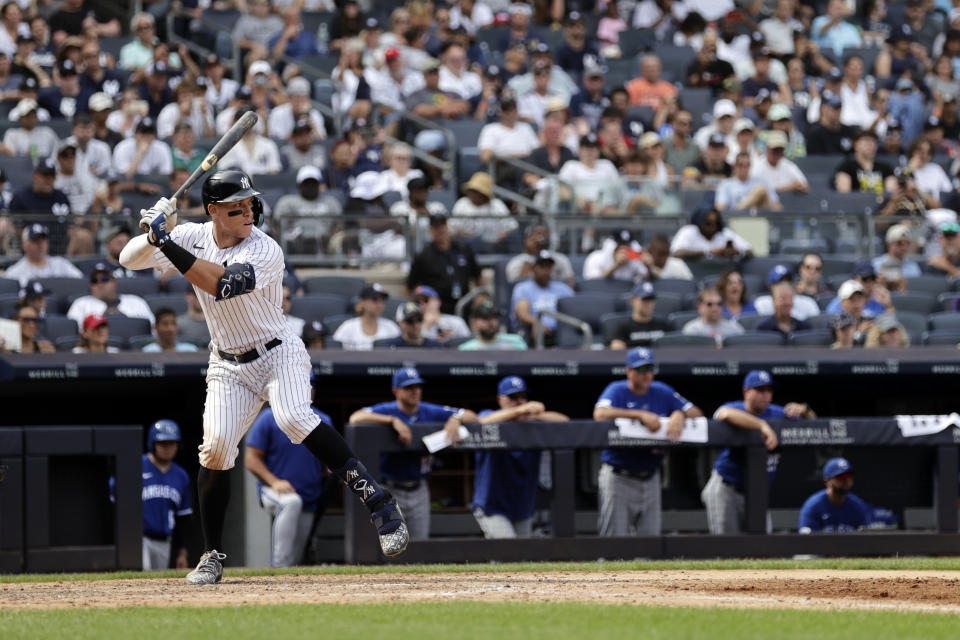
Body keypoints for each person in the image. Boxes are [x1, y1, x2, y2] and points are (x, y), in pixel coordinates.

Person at [119, 169, 410, 584]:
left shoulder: (265, 248)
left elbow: (221, 285)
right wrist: (152, 233)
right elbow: (126, 260)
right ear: (213, 211)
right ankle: (213, 555)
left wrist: (165, 239)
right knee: (216, 449)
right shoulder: (191, 237)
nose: (248, 212)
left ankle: (380, 503)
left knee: (293, 417)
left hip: (278, 353)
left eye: (251, 204)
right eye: (237, 207)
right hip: (226, 364)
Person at [348, 368, 478, 540]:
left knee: (419, 543)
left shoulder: (429, 410)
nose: (415, 391)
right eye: (408, 387)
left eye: (417, 386)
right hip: (390, 488)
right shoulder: (388, 409)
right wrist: (392, 420)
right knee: (393, 541)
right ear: (396, 391)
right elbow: (355, 417)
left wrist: (456, 419)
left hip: (419, 487)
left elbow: (472, 417)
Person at [594, 347, 703, 536]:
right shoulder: (617, 389)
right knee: (614, 539)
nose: (646, 375)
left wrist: (679, 414)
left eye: (650, 369)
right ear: (629, 371)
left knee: (650, 539)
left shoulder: (661, 390)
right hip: (619, 474)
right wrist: (639, 415)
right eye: (641, 370)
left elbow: (697, 413)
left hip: (651, 475)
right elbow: (600, 414)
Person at [704, 370, 815, 534]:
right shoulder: (735, 408)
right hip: (727, 488)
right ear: (746, 392)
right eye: (760, 390)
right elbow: (723, 414)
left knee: (762, 547)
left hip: (757, 491)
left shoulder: (777, 413)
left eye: (769, 390)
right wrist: (761, 425)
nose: (766, 395)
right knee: (727, 547)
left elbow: (813, 423)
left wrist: (804, 410)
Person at [244, 372, 330, 567]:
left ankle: (285, 588)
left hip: (309, 496)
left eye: (311, 385)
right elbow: (251, 459)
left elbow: (328, 460)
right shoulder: (269, 417)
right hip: (274, 491)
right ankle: (277, 566)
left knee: (296, 559)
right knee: (291, 503)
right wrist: (274, 481)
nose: (307, 388)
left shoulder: (323, 420)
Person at [472, 376, 569, 538]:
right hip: (491, 505)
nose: (519, 401)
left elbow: (565, 423)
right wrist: (519, 411)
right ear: (500, 399)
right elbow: (480, 422)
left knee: (521, 557)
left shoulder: (533, 423)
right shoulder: (490, 415)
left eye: (522, 397)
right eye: (513, 398)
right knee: (508, 550)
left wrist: (538, 414)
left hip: (522, 506)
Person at [135, 420, 192, 570]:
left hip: (164, 540)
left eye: (172, 443)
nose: (168, 448)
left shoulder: (181, 475)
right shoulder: (136, 465)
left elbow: (183, 518)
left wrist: (182, 553)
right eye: (163, 443)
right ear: (153, 444)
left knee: (157, 582)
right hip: (139, 539)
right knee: (143, 577)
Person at [407, 214, 481, 314]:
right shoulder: (423, 256)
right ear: (431, 231)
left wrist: (479, 298)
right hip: (437, 309)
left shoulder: (463, 249)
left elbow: (478, 277)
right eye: (436, 227)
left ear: (447, 227)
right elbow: (409, 286)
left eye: (443, 226)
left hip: (464, 305)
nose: (440, 230)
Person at [511, 250, 575, 346]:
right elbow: (522, 311)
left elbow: (576, 309)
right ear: (533, 268)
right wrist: (535, 321)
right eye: (542, 266)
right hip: (537, 333)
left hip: (562, 332)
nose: (545, 271)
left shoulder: (562, 288)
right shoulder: (523, 288)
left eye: (548, 267)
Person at [66, 262, 155, 330]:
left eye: (105, 279)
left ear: (114, 282)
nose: (100, 284)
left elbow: (152, 328)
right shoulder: (80, 304)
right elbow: (73, 331)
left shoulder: (136, 301)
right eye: (94, 281)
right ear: (90, 286)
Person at [798, 457, 872, 533]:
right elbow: (806, 541)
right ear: (827, 480)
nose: (846, 480)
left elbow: (866, 540)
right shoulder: (813, 506)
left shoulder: (858, 506)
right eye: (840, 477)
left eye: (849, 476)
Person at [3, 223, 82, 286]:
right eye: (35, 241)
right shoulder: (15, 272)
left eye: (43, 240)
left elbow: (81, 281)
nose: (40, 245)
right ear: (24, 245)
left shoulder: (60, 264)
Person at [331, 283, 401, 351]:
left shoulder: (391, 327)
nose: (380, 305)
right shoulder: (348, 327)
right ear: (362, 302)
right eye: (374, 300)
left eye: (382, 300)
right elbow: (335, 351)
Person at [670, 206, 753, 261]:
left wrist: (736, 252)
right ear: (700, 221)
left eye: (715, 223)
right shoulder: (689, 231)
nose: (712, 227)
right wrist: (708, 252)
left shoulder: (724, 232)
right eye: (708, 223)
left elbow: (749, 251)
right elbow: (676, 253)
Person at [506, 224, 576, 288]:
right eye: (537, 235)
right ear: (527, 239)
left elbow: (569, 284)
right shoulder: (516, 262)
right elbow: (516, 286)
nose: (541, 239)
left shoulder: (560, 259)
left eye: (544, 235)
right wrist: (530, 255)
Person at [609, 281, 672, 349]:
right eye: (645, 300)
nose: (649, 304)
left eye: (651, 300)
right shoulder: (623, 327)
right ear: (633, 301)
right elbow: (616, 349)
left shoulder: (663, 325)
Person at [833, 130, 896, 195]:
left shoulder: (886, 168)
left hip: (883, 204)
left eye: (874, 141)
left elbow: (891, 194)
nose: (871, 144)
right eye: (866, 140)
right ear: (856, 144)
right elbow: (844, 196)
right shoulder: (846, 167)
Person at [715, 152, 781, 211]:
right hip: (735, 220)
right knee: (760, 190)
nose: (744, 168)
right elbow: (720, 207)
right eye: (741, 165)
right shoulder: (726, 184)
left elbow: (777, 207)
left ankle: (739, 208)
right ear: (735, 166)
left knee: (761, 190)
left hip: (759, 219)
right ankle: (738, 209)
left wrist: (758, 200)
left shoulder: (762, 181)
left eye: (747, 165)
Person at [753, 265, 821, 320]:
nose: (785, 286)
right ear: (771, 286)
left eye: (788, 282)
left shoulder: (808, 303)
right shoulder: (762, 304)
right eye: (780, 283)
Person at [582, 229, 648, 283]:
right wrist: (615, 265)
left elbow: (646, 277)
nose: (623, 252)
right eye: (619, 248)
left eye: (626, 247)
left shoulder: (633, 259)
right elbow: (591, 282)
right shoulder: (595, 258)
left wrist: (648, 265)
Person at [458, 300, 528, 350]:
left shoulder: (516, 342)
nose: (491, 322)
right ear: (474, 322)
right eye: (485, 318)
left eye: (494, 317)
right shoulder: (466, 349)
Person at [871, 223, 922, 289]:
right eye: (899, 243)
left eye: (907, 243)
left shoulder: (914, 267)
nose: (904, 247)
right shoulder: (875, 265)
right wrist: (878, 284)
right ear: (889, 244)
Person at [379, 301, 444, 348]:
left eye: (419, 319)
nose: (416, 325)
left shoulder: (435, 347)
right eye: (410, 321)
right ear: (400, 324)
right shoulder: (391, 347)